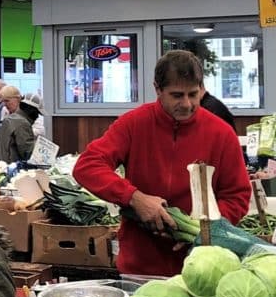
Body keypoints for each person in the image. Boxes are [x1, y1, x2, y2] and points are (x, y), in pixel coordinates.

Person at [74, 50, 250, 277]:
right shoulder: (133, 124)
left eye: (193, 94)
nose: (186, 104)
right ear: (158, 89)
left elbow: (237, 195)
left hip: (202, 266)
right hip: (139, 264)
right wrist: (135, 198)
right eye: (177, 95)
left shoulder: (221, 133)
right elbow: (87, 166)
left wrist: (202, 230)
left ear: (202, 88)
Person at [0, 85, 36, 164]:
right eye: (3, 101)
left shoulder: (22, 118)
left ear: (18, 99)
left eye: (7, 101)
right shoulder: (5, 112)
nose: (4, 104)